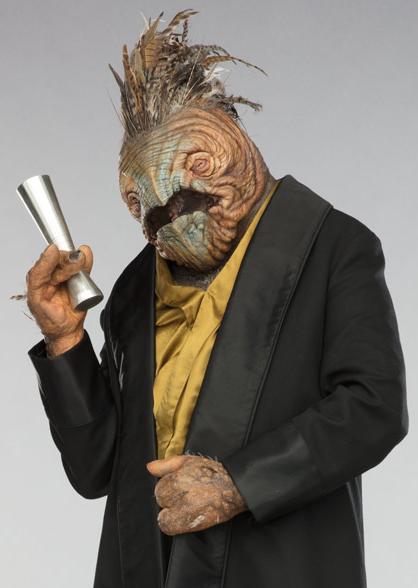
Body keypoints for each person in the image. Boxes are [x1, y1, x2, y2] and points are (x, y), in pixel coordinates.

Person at [25, 10, 408, 588]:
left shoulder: (334, 248)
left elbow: (374, 407)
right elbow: (96, 468)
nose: (166, 208)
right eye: (143, 203)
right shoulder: (134, 290)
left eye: (196, 166)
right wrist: (65, 341)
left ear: (235, 141)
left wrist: (240, 483)